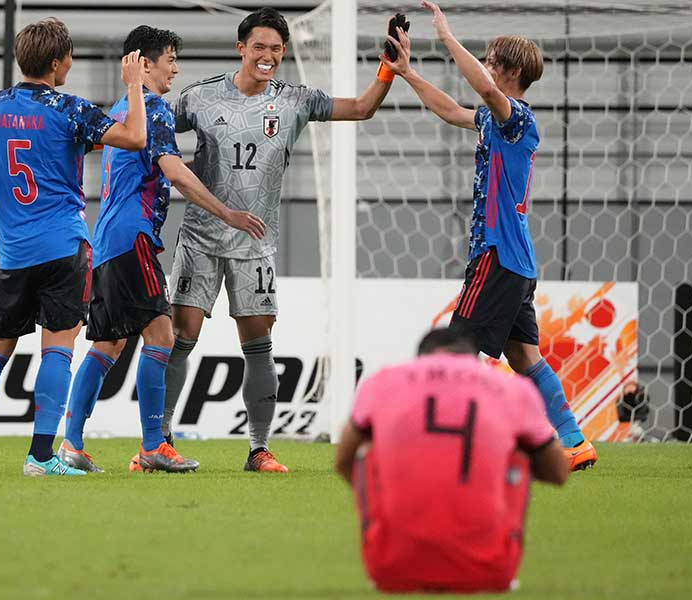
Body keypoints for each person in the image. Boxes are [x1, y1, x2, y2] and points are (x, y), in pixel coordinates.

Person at [162, 7, 400, 472]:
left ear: (283, 52)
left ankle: (258, 448)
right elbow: (152, 130)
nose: (267, 56)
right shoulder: (199, 98)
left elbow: (361, 108)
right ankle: (161, 439)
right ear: (241, 48)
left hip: (256, 244)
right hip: (201, 237)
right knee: (181, 336)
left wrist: (389, 69)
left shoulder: (296, 100)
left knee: (258, 342)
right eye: (259, 47)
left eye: (275, 49)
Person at [381, 0, 597, 470]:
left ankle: (462, 442)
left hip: (496, 253)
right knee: (524, 357)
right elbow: (453, 110)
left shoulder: (516, 116)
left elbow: (478, 85)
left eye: (493, 61)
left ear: (511, 70)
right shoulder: (495, 120)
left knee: (455, 348)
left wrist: (445, 36)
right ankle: (574, 440)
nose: (486, 67)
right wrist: (407, 73)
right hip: (516, 259)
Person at [57, 26, 266, 474]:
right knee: (162, 335)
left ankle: (70, 444)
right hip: (134, 238)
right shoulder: (154, 107)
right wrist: (227, 213)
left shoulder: (123, 110)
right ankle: (154, 444)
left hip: (108, 240)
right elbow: (174, 172)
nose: (176, 67)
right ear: (145, 64)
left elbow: (160, 164)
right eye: (170, 59)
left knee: (108, 344)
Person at [0, 18, 148, 477]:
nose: (71, 63)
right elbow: (135, 137)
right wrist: (134, 86)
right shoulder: (69, 109)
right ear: (57, 62)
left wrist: (1, 212)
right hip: (62, 248)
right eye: (70, 56)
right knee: (57, 351)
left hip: (12, 253)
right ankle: (39, 456)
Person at [335, 327, 569, 593]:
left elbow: (343, 460)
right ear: (472, 357)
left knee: (366, 452)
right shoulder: (514, 388)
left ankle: (392, 538)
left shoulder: (383, 382)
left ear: (421, 358)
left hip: (390, 568)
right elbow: (558, 473)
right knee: (520, 453)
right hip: (491, 570)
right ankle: (494, 545)